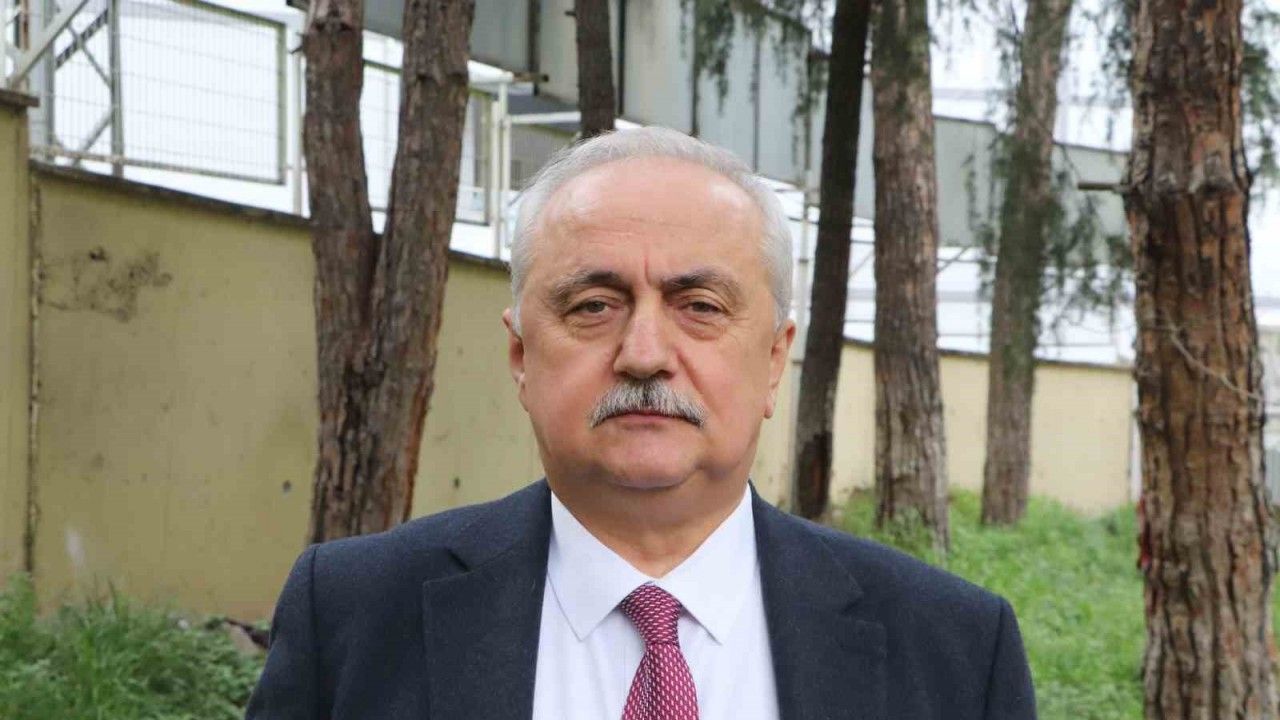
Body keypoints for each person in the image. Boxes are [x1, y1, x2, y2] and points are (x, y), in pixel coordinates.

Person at [244, 126, 1036, 720]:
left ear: (773, 359)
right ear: (521, 356)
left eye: (700, 306)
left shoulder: (956, 651)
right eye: (594, 306)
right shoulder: (352, 617)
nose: (645, 355)